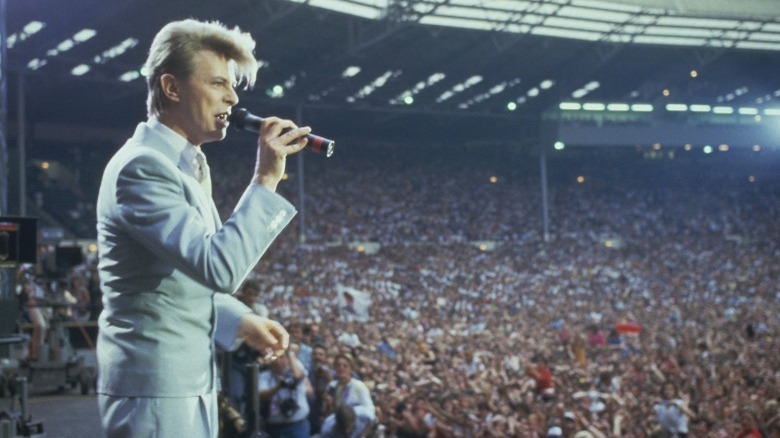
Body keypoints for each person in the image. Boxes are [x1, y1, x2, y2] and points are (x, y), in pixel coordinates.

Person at [95, 18, 311, 437]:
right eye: (217, 83)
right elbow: (219, 269)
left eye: (232, 85)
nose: (232, 97)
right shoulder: (142, 168)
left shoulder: (183, 163)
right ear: (171, 88)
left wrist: (238, 321)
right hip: (155, 393)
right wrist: (266, 179)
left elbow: (179, 280)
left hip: (181, 384)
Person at [257, 343, 312, 437]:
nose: (278, 361)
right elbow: (261, 394)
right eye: (275, 358)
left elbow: (298, 376)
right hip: (275, 428)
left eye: (281, 357)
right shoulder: (265, 373)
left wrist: (290, 354)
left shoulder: (295, 366)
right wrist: (278, 386)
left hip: (298, 426)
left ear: (287, 359)